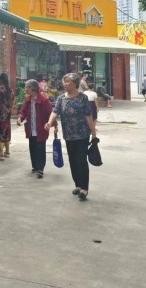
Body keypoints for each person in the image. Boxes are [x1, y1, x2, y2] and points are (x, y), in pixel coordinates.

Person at [44, 72, 97, 201]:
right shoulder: (61, 98)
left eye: (69, 82)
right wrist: (49, 123)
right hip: (68, 135)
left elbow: (88, 115)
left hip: (82, 135)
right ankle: (77, 185)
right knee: (73, 161)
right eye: (65, 81)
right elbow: (55, 112)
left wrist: (93, 132)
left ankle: (84, 188)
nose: (65, 84)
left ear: (76, 84)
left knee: (81, 160)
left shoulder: (83, 98)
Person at [17, 79, 54, 179]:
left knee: (40, 149)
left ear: (32, 88)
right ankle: (35, 166)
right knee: (32, 147)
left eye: (27, 87)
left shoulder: (44, 100)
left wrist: (52, 124)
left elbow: (50, 113)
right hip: (31, 128)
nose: (25, 89)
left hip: (41, 129)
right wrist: (20, 118)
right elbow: (23, 111)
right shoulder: (28, 99)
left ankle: (40, 169)